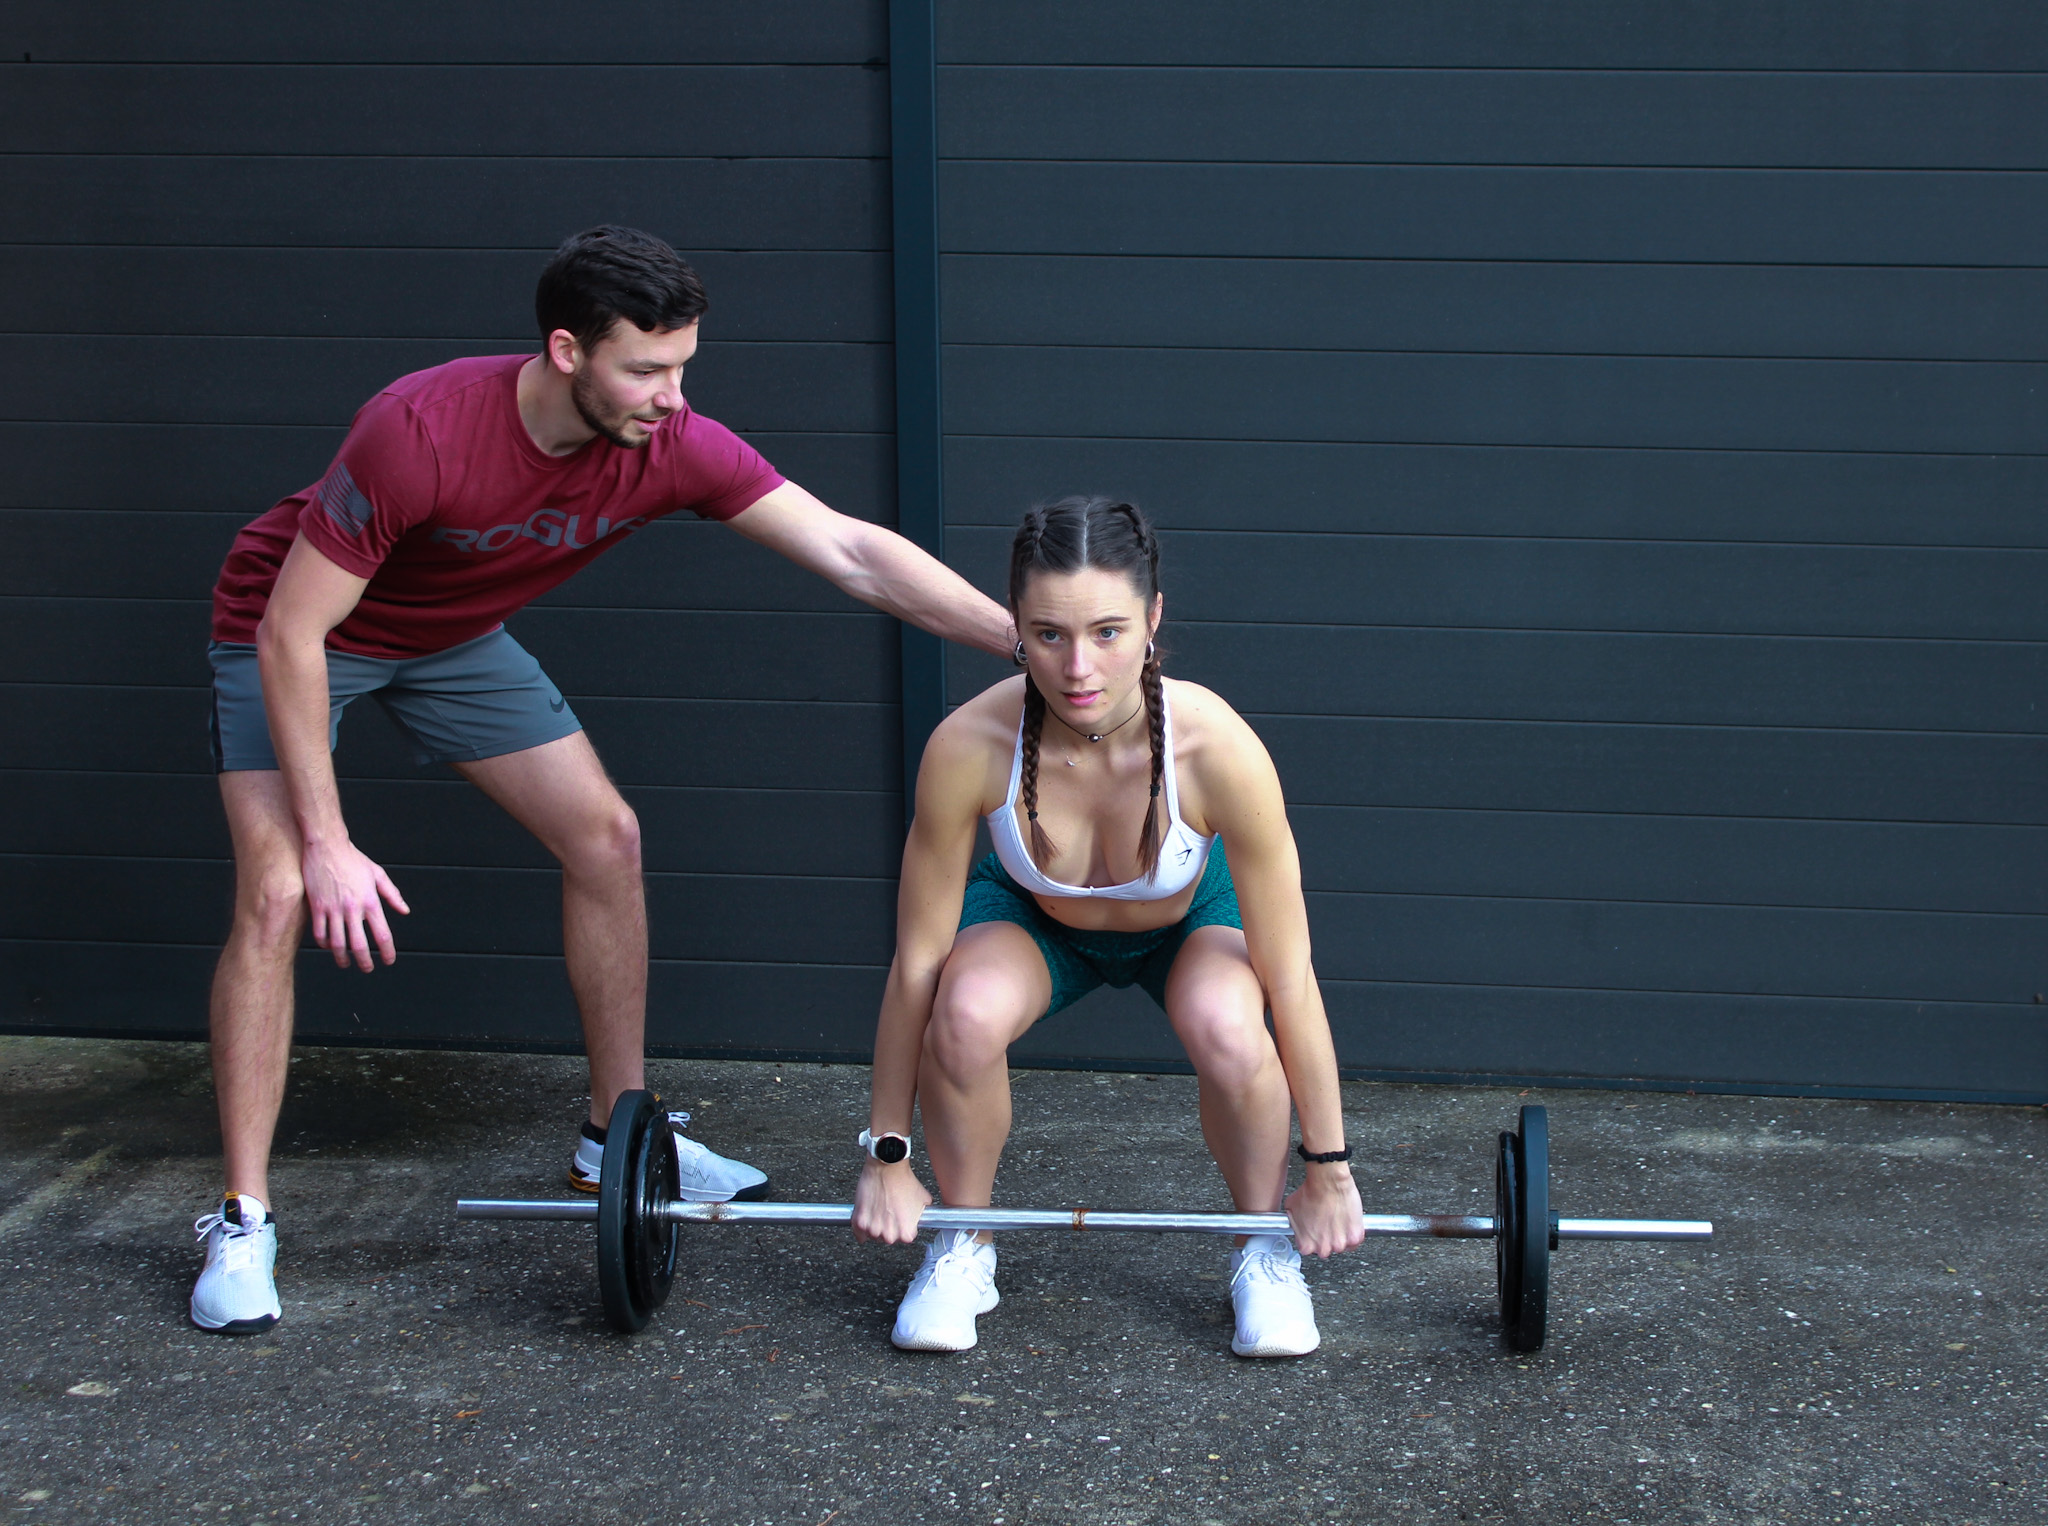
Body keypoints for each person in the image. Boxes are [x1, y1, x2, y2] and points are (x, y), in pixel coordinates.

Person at [190, 226, 1013, 1335]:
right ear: (566, 348)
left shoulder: (667, 441)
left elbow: (850, 551)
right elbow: (296, 632)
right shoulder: (421, 428)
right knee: (280, 889)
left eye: (684, 366)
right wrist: (330, 839)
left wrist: (1037, 644)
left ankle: (612, 1131)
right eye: (646, 368)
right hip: (289, 629)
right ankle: (242, 1218)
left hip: (449, 638)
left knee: (606, 838)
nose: (672, 396)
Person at [850, 497, 1365, 1357]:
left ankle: (1264, 1248)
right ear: (1015, 623)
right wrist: (888, 1153)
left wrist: (1330, 1167)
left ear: (1154, 618)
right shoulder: (970, 744)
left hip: (1187, 921)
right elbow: (914, 964)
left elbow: (1291, 979)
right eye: (1048, 634)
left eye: (1109, 632)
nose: (1078, 666)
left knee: (1234, 1029)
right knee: (963, 1008)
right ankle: (963, 1240)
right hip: (1034, 919)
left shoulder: (1219, 749)